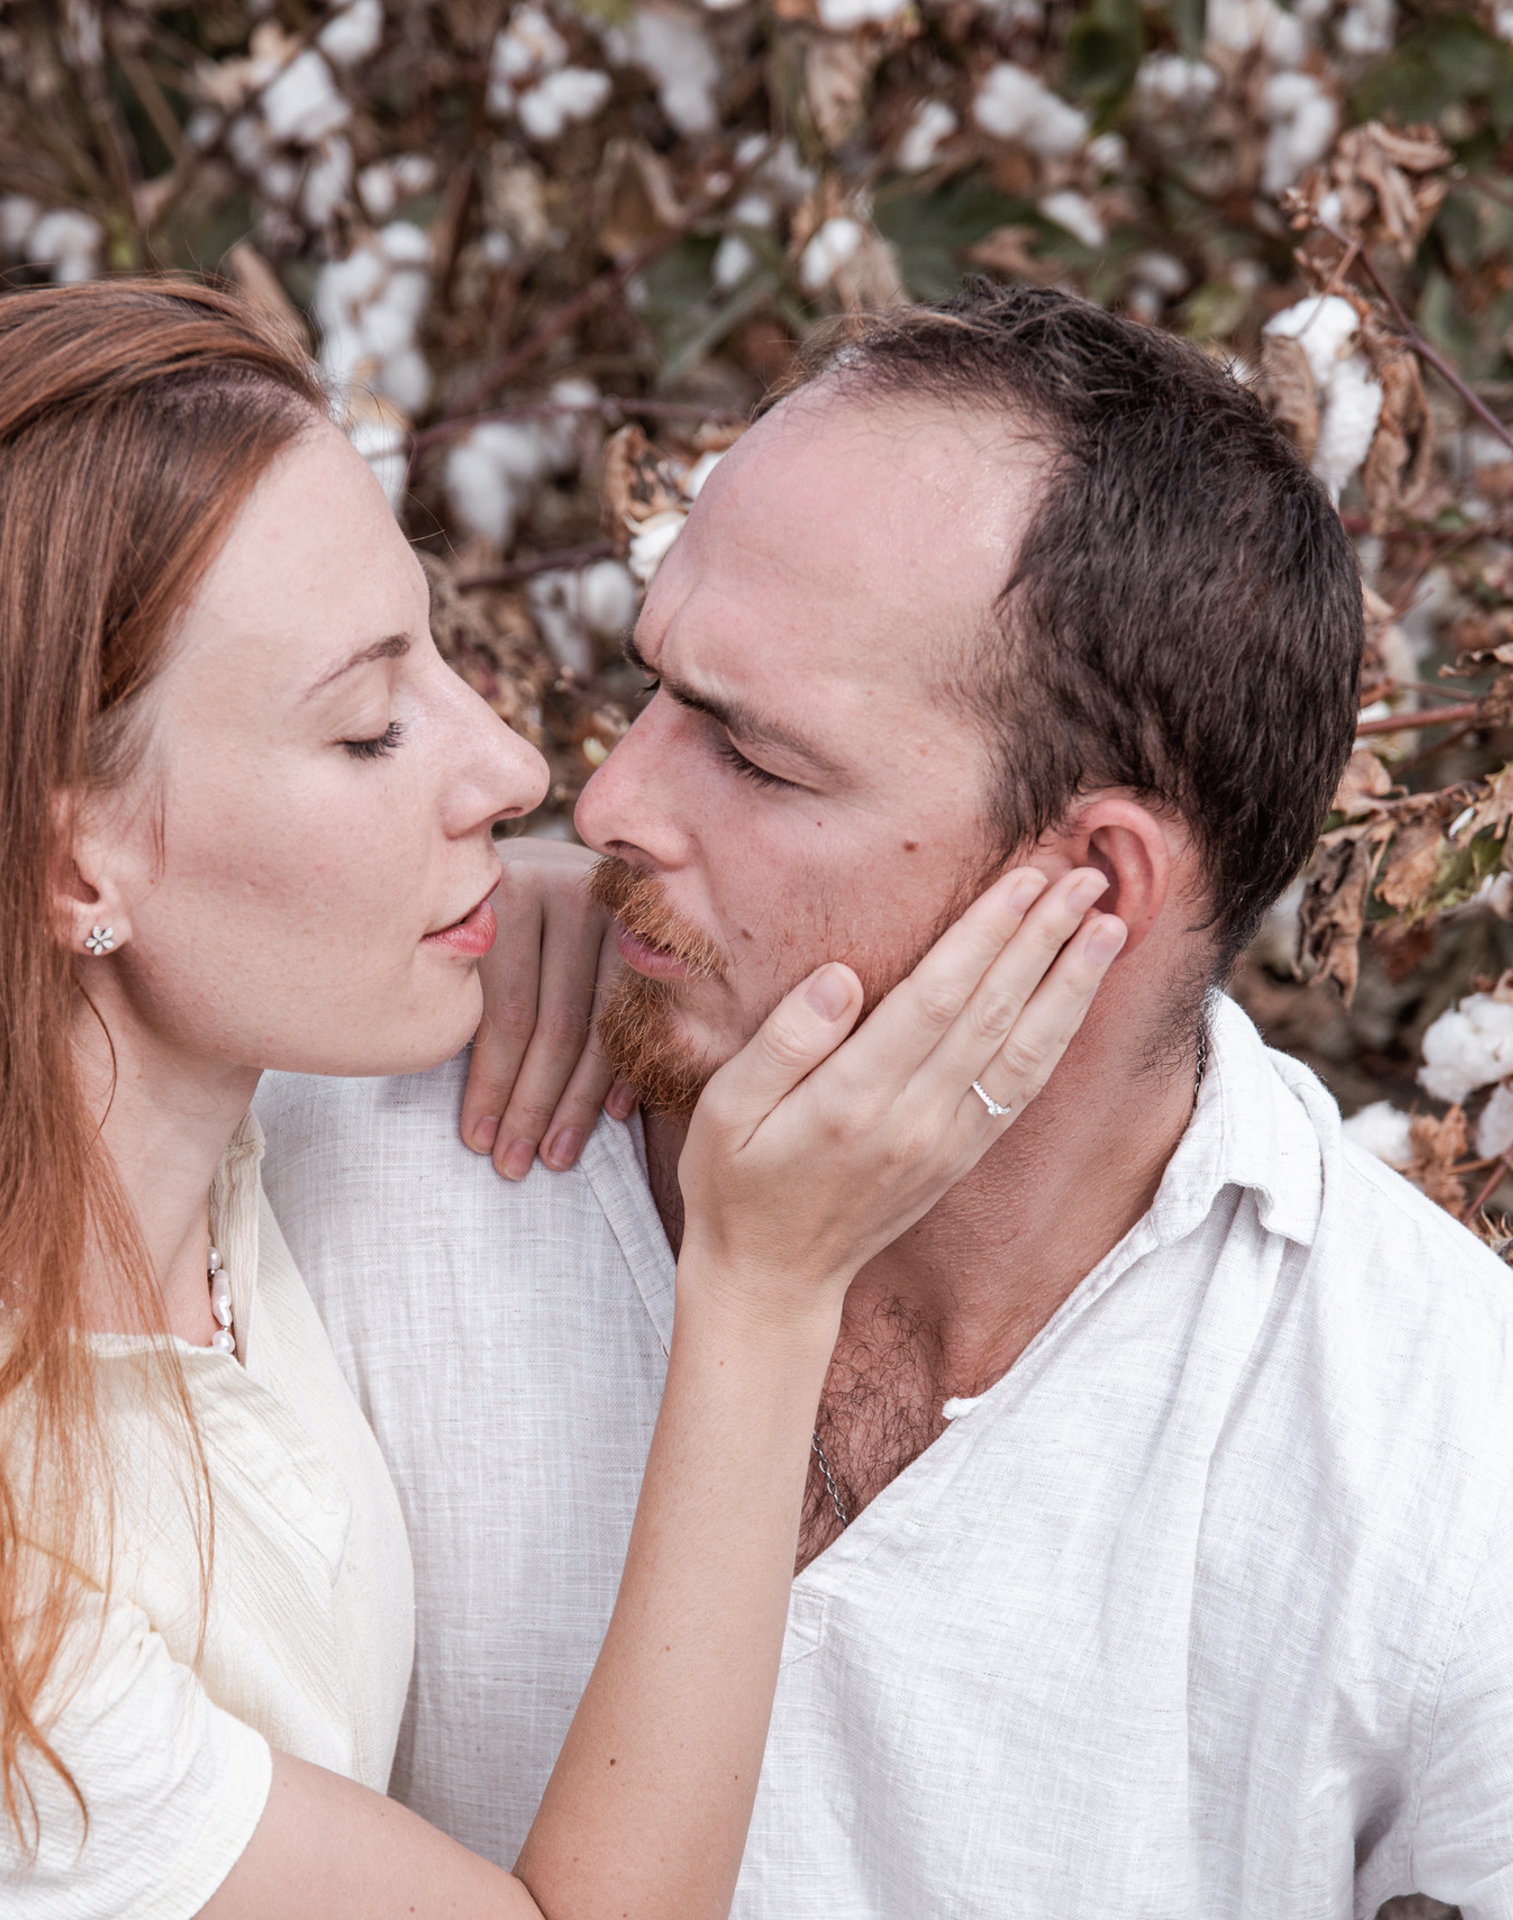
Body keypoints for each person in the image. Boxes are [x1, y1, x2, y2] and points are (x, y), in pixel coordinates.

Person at [0, 278, 1123, 1919]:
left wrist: (602, 916)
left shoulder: (186, 1167)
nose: (519, 771)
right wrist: (765, 1289)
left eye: (440, 658)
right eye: (373, 728)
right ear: (72, 863)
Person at [255, 284, 1513, 1917]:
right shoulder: (334, 1156)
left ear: (1092, 887)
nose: (609, 798)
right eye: (657, 688)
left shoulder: (1425, 1430)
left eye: (756, 758)